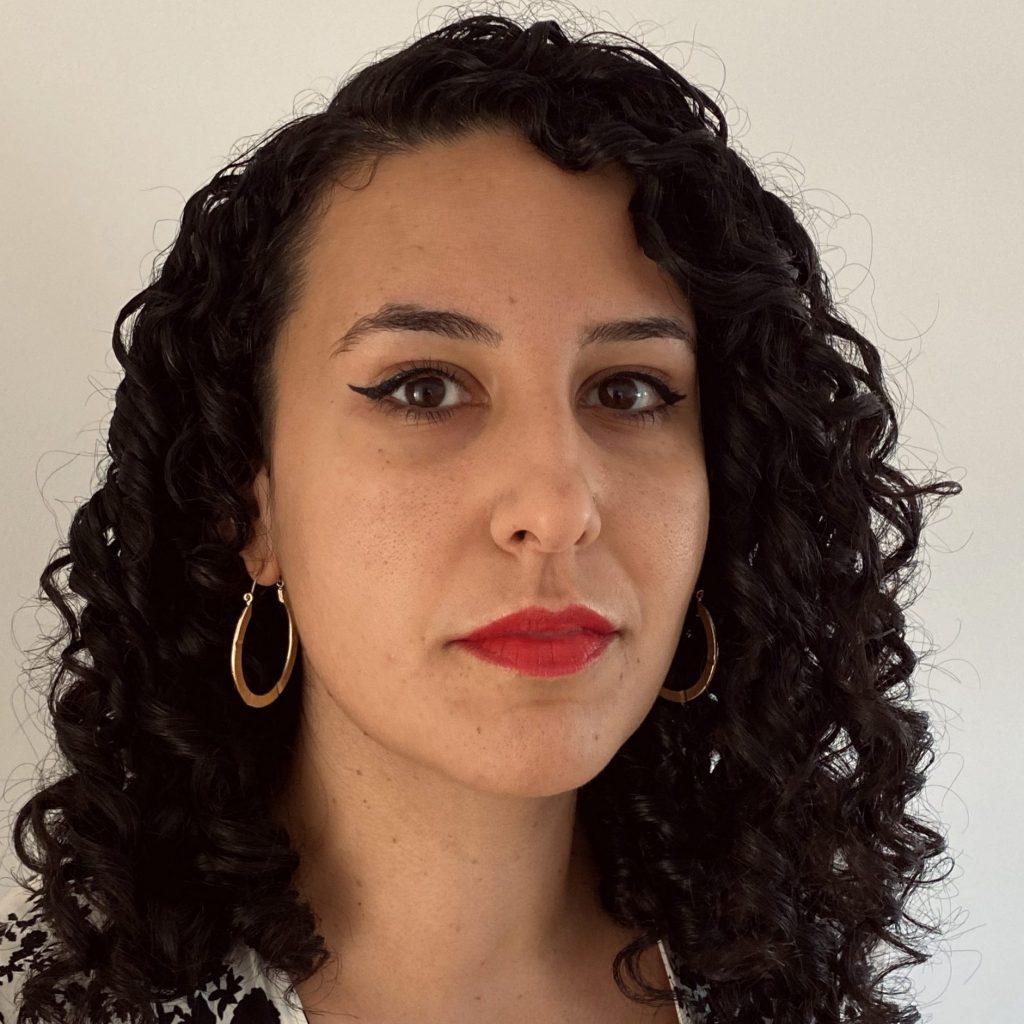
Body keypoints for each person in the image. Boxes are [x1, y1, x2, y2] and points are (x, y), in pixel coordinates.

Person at [0, 9, 960, 1024]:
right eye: (423, 388)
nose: (557, 508)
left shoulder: (792, 987)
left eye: (629, 390)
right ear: (249, 502)